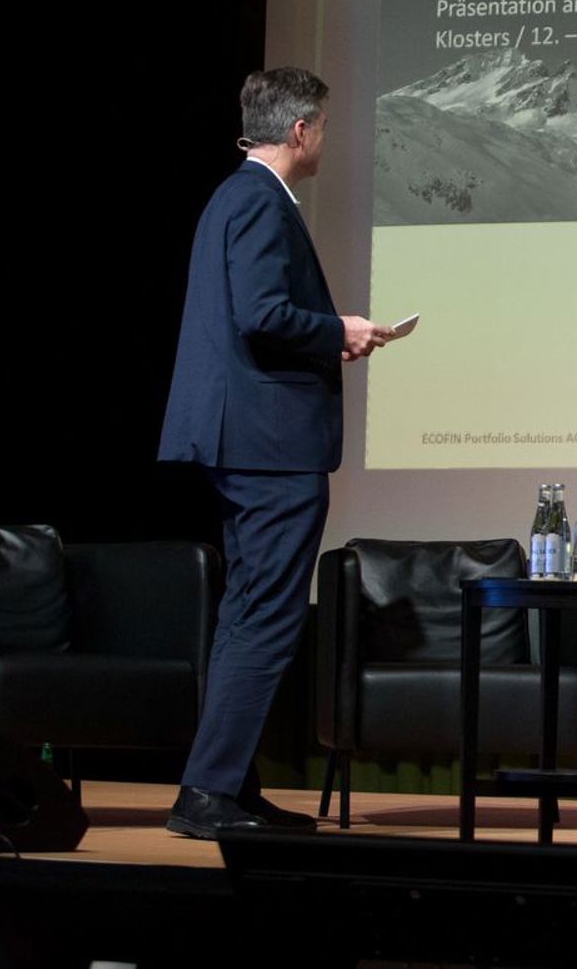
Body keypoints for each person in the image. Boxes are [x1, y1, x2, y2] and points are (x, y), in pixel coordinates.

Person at [158, 67, 392, 838]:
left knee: (247, 613)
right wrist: (338, 331)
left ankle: (223, 784)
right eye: (321, 125)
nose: (323, 136)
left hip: (250, 439)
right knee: (266, 617)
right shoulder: (259, 201)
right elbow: (261, 313)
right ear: (299, 130)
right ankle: (207, 794)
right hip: (269, 445)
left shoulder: (234, 196)